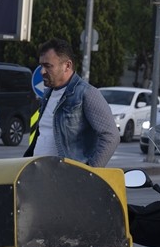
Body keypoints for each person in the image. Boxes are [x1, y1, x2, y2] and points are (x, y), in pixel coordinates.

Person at [25, 38, 118, 168]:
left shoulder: (87, 93)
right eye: (41, 65)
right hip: (39, 176)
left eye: (48, 66)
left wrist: (90, 173)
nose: (42, 71)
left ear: (67, 65)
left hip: (67, 179)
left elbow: (110, 136)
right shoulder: (47, 94)